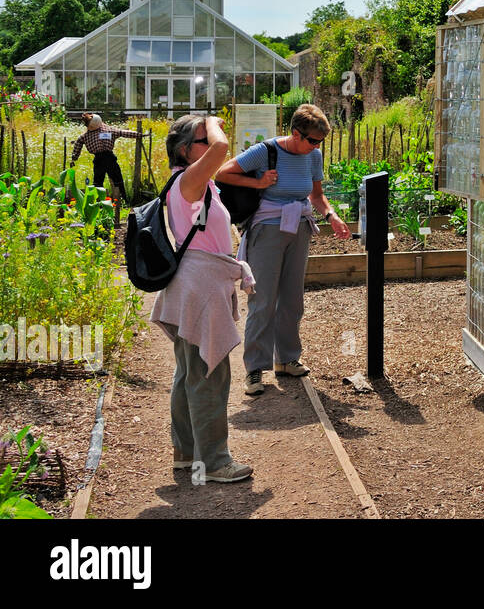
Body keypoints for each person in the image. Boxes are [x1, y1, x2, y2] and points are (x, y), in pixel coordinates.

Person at [149, 114, 255, 484]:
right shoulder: (189, 181)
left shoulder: (195, 183)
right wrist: (210, 119)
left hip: (195, 285)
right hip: (200, 288)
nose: (211, 145)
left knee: (189, 372)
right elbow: (224, 147)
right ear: (184, 150)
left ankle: (187, 452)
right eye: (202, 141)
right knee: (209, 375)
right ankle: (214, 461)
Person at [217, 104, 350, 396]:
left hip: (299, 227)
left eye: (320, 142)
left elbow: (316, 194)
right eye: (313, 140)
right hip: (267, 228)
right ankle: (254, 368)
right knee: (262, 298)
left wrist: (332, 216)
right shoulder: (267, 151)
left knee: (292, 297)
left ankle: (286, 359)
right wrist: (258, 181)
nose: (317, 146)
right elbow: (222, 173)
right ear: (295, 133)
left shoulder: (313, 155)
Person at [69, 113, 142, 201]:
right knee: (110, 181)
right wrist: (74, 157)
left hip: (105, 158)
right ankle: (120, 200)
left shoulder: (95, 133)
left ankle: (112, 200)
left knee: (106, 181)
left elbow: (123, 133)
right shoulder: (99, 132)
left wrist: (74, 158)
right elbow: (123, 133)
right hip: (105, 158)